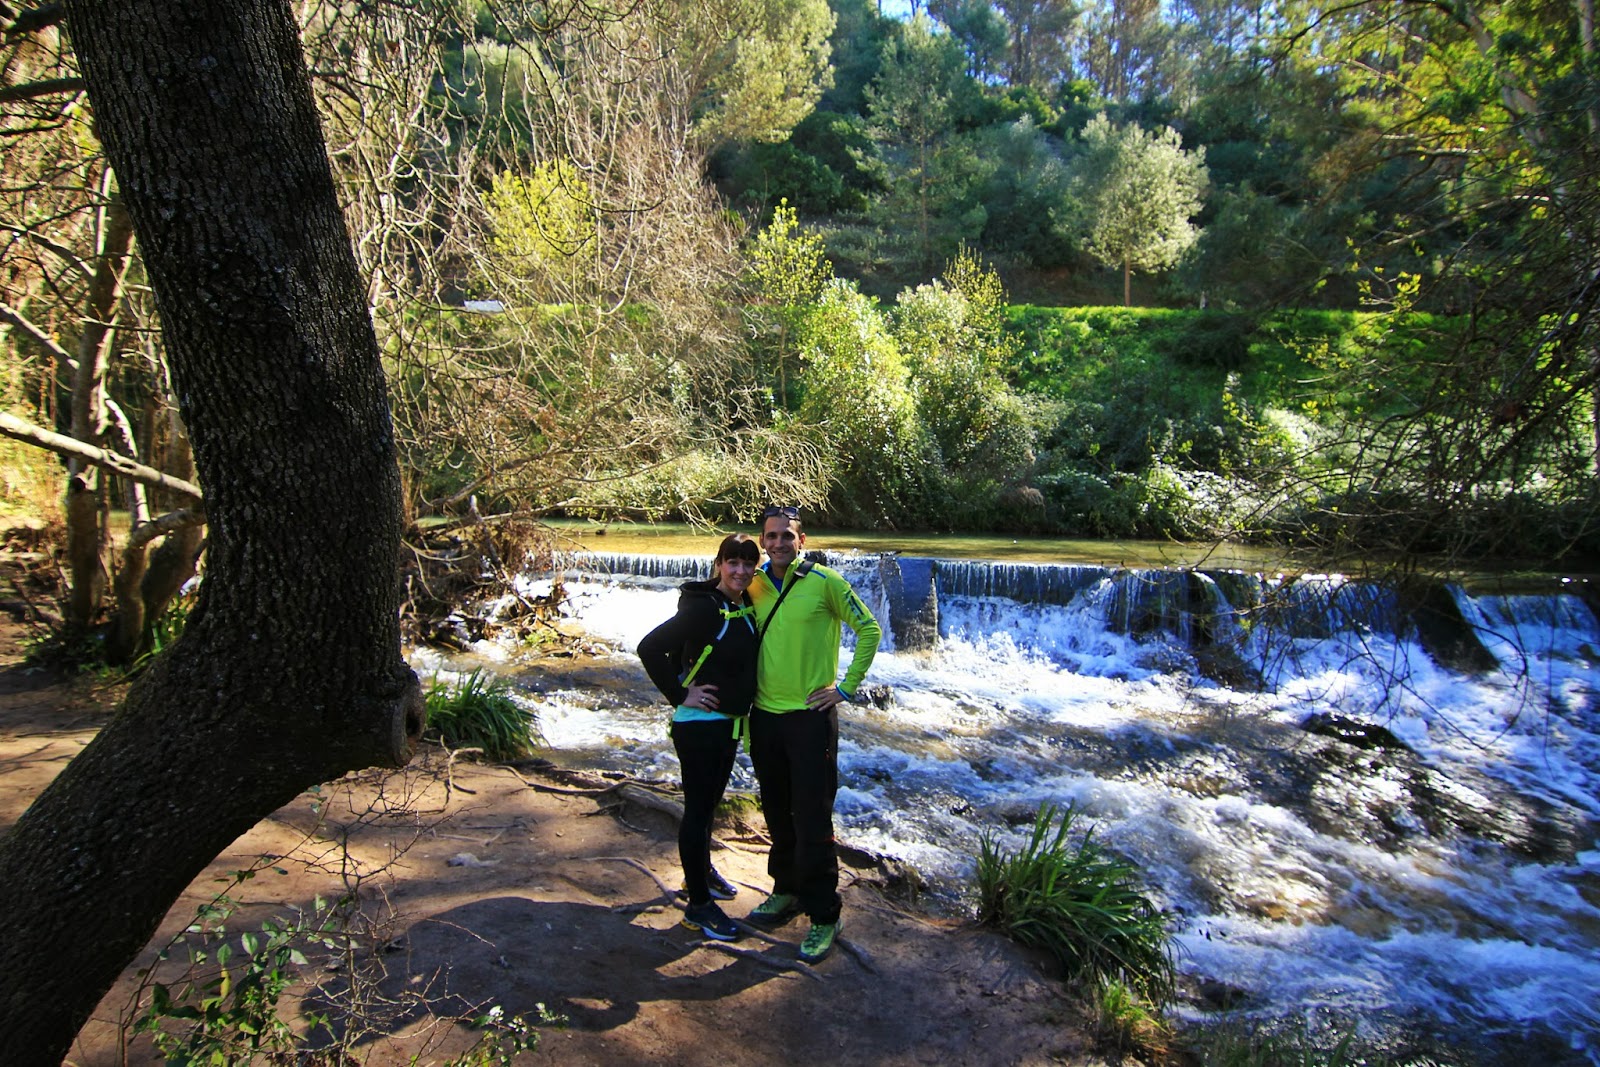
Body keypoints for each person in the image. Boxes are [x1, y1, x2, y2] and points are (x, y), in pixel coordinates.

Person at [744, 506, 881, 965]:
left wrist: (844, 688)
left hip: (809, 718)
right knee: (777, 811)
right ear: (763, 542)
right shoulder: (755, 584)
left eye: (787, 536)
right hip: (762, 718)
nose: (779, 543)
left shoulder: (826, 583)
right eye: (771, 536)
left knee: (813, 818)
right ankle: (785, 889)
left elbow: (869, 628)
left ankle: (825, 913)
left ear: (801, 541)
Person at [637, 532, 762, 942]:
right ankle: (699, 908)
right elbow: (649, 647)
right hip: (698, 725)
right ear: (719, 564)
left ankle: (700, 874)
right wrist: (680, 693)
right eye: (733, 562)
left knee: (709, 806)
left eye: (748, 563)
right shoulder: (705, 609)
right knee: (696, 810)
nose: (741, 571)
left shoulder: (741, 604)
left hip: (727, 725)